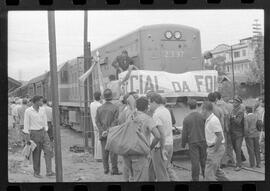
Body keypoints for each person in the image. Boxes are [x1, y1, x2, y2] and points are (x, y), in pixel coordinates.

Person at [123, 97, 161, 181]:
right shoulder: (148, 119)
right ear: (147, 108)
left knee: (131, 178)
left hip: (128, 151)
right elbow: (158, 136)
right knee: (140, 179)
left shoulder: (130, 116)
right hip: (140, 153)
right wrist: (149, 148)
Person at [23, 95, 55, 178]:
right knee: (36, 154)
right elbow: (26, 124)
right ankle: (36, 173)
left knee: (48, 151)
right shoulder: (28, 111)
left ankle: (49, 171)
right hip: (34, 133)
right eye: (40, 101)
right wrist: (27, 137)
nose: (42, 102)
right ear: (35, 102)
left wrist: (46, 129)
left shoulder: (42, 109)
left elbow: (45, 121)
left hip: (43, 132)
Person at [148, 93, 177, 181]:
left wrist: (161, 148)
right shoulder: (166, 110)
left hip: (160, 147)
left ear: (154, 102)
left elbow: (160, 135)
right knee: (152, 171)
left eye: (150, 103)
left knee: (161, 175)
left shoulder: (157, 114)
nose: (149, 105)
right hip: (168, 144)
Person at [95, 89, 122, 175]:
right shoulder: (115, 108)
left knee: (104, 151)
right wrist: (108, 130)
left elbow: (97, 121)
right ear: (111, 97)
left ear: (104, 97)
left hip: (102, 134)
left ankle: (105, 169)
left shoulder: (99, 108)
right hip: (112, 133)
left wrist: (102, 131)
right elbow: (115, 121)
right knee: (113, 152)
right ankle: (114, 170)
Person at [201, 101, 228, 181]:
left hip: (216, 148)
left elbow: (220, 137)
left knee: (208, 175)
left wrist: (213, 151)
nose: (201, 112)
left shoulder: (213, 120)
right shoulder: (209, 119)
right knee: (217, 172)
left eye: (201, 110)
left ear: (205, 110)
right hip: (214, 147)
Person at [182, 99, 207, 181]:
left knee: (195, 162)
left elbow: (184, 133)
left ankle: (195, 179)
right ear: (197, 106)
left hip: (192, 142)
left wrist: (183, 144)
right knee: (204, 160)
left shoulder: (186, 119)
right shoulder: (202, 117)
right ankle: (205, 176)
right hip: (203, 140)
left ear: (188, 107)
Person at [214, 92, 235, 167]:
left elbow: (225, 115)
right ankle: (230, 160)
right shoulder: (228, 105)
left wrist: (225, 127)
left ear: (216, 98)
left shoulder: (218, 105)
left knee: (222, 145)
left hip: (222, 128)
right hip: (228, 127)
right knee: (228, 145)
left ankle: (223, 162)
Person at [229, 96, 245, 171]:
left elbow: (238, 122)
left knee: (238, 148)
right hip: (232, 132)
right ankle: (241, 159)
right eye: (233, 102)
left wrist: (233, 117)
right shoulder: (232, 110)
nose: (233, 103)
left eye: (235, 102)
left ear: (239, 103)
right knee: (235, 148)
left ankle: (239, 165)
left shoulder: (240, 111)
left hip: (239, 133)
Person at [90, 91, 102, 161]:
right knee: (99, 140)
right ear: (100, 97)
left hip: (94, 123)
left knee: (96, 139)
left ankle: (96, 156)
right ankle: (99, 157)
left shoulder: (91, 104)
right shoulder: (100, 105)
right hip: (99, 124)